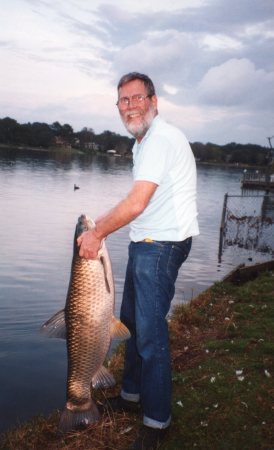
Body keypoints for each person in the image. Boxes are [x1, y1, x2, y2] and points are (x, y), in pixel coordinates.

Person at [77, 72, 199, 450]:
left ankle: (157, 422)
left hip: (161, 247)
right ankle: (130, 398)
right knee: (130, 325)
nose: (130, 106)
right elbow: (138, 207)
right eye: (123, 101)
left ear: (154, 100)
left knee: (150, 337)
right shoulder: (144, 143)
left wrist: (97, 233)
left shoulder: (160, 139)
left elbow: (135, 203)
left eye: (137, 98)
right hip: (145, 243)